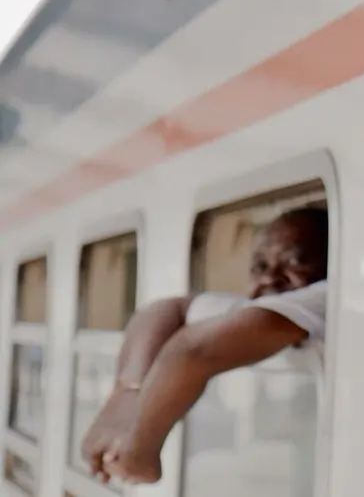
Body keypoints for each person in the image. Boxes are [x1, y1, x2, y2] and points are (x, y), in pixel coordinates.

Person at [80, 206, 330, 485]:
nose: (270, 278)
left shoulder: (323, 297)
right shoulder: (269, 306)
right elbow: (165, 310)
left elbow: (192, 351)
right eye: (260, 267)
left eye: (295, 262)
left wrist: (140, 444)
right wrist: (126, 394)